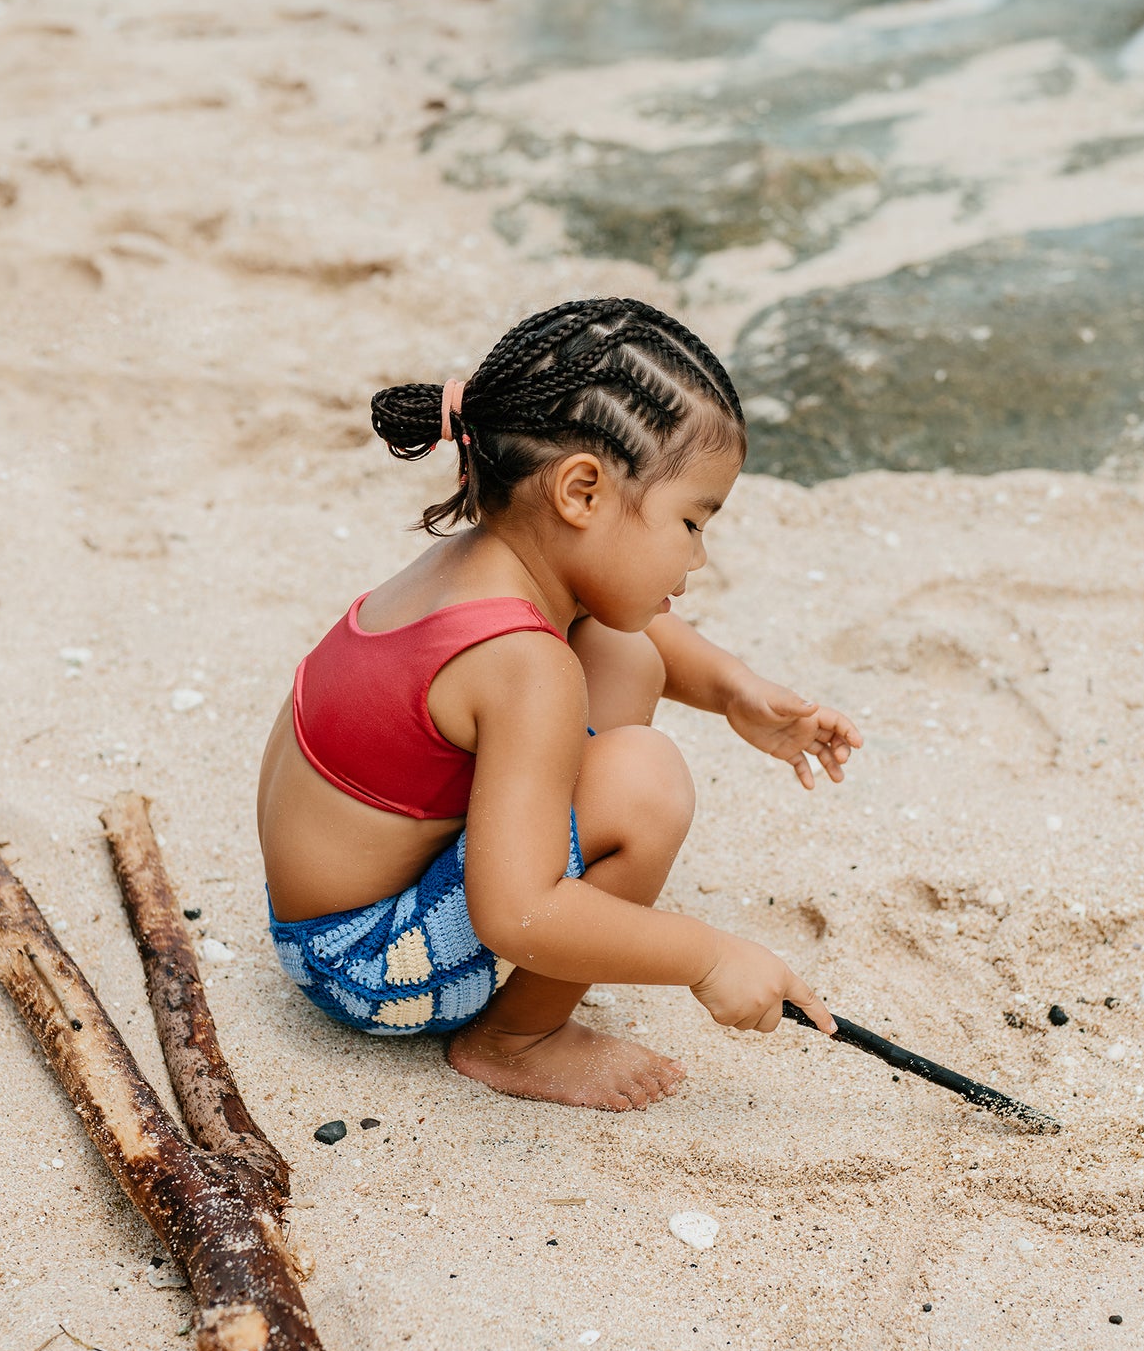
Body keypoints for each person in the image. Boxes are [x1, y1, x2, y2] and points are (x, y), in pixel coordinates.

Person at [257, 297, 859, 1111]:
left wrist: (735, 693)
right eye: (690, 521)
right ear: (582, 491)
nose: (700, 555)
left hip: (329, 918)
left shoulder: (491, 568)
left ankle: (571, 918)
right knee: (643, 781)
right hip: (365, 967)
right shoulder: (522, 665)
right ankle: (516, 1039)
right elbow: (516, 914)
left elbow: (638, 627)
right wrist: (710, 957)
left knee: (621, 647)